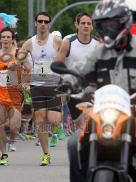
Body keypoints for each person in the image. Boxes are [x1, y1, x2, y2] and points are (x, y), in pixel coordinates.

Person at [64, 1, 136, 181]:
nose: (107, 29)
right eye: (103, 25)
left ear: (124, 22)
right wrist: (67, 82)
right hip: (104, 113)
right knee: (74, 143)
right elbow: (79, 70)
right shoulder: (99, 52)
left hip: (134, 112)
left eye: (111, 24)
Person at [19, 11, 62, 166]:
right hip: (37, 85)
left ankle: (59, 126)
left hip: (54, 84)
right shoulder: (30, 42)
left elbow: (66, 57)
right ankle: (45, 154)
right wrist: (23, 62)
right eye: (40, 21)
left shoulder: (56, 41)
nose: (43, 24)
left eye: (46, 21)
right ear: (36, 23)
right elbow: (20, 56)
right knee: (40, 120)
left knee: (53, 120)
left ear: (49, 24)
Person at [0, 27, 31, 165]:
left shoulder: (20, 54)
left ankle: (12, 139)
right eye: (4, 37)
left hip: (15, 94)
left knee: (14, 126)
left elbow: (29, 69)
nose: (6, 39)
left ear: (12, 39)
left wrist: (24, 83)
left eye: (8, 37)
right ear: (0, 39)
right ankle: (3, 154)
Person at [56, 12, 99, 123]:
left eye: (89, 23)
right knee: (80, 123)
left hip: (92, 89)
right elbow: (58, 64)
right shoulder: (68, 43)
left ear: (92, 26)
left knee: (90, 119)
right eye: (83, 23)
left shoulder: (98, 44)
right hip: (74, 89)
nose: (86, 26)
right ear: (77, 25)